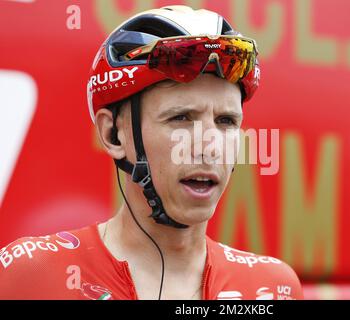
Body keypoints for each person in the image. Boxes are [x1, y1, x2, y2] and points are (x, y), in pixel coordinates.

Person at [0, 5, 303, 300]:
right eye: (180, 118)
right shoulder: (31, 275)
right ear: (113, 134)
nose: (210, 146)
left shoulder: (273, 288)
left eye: (226, 121)